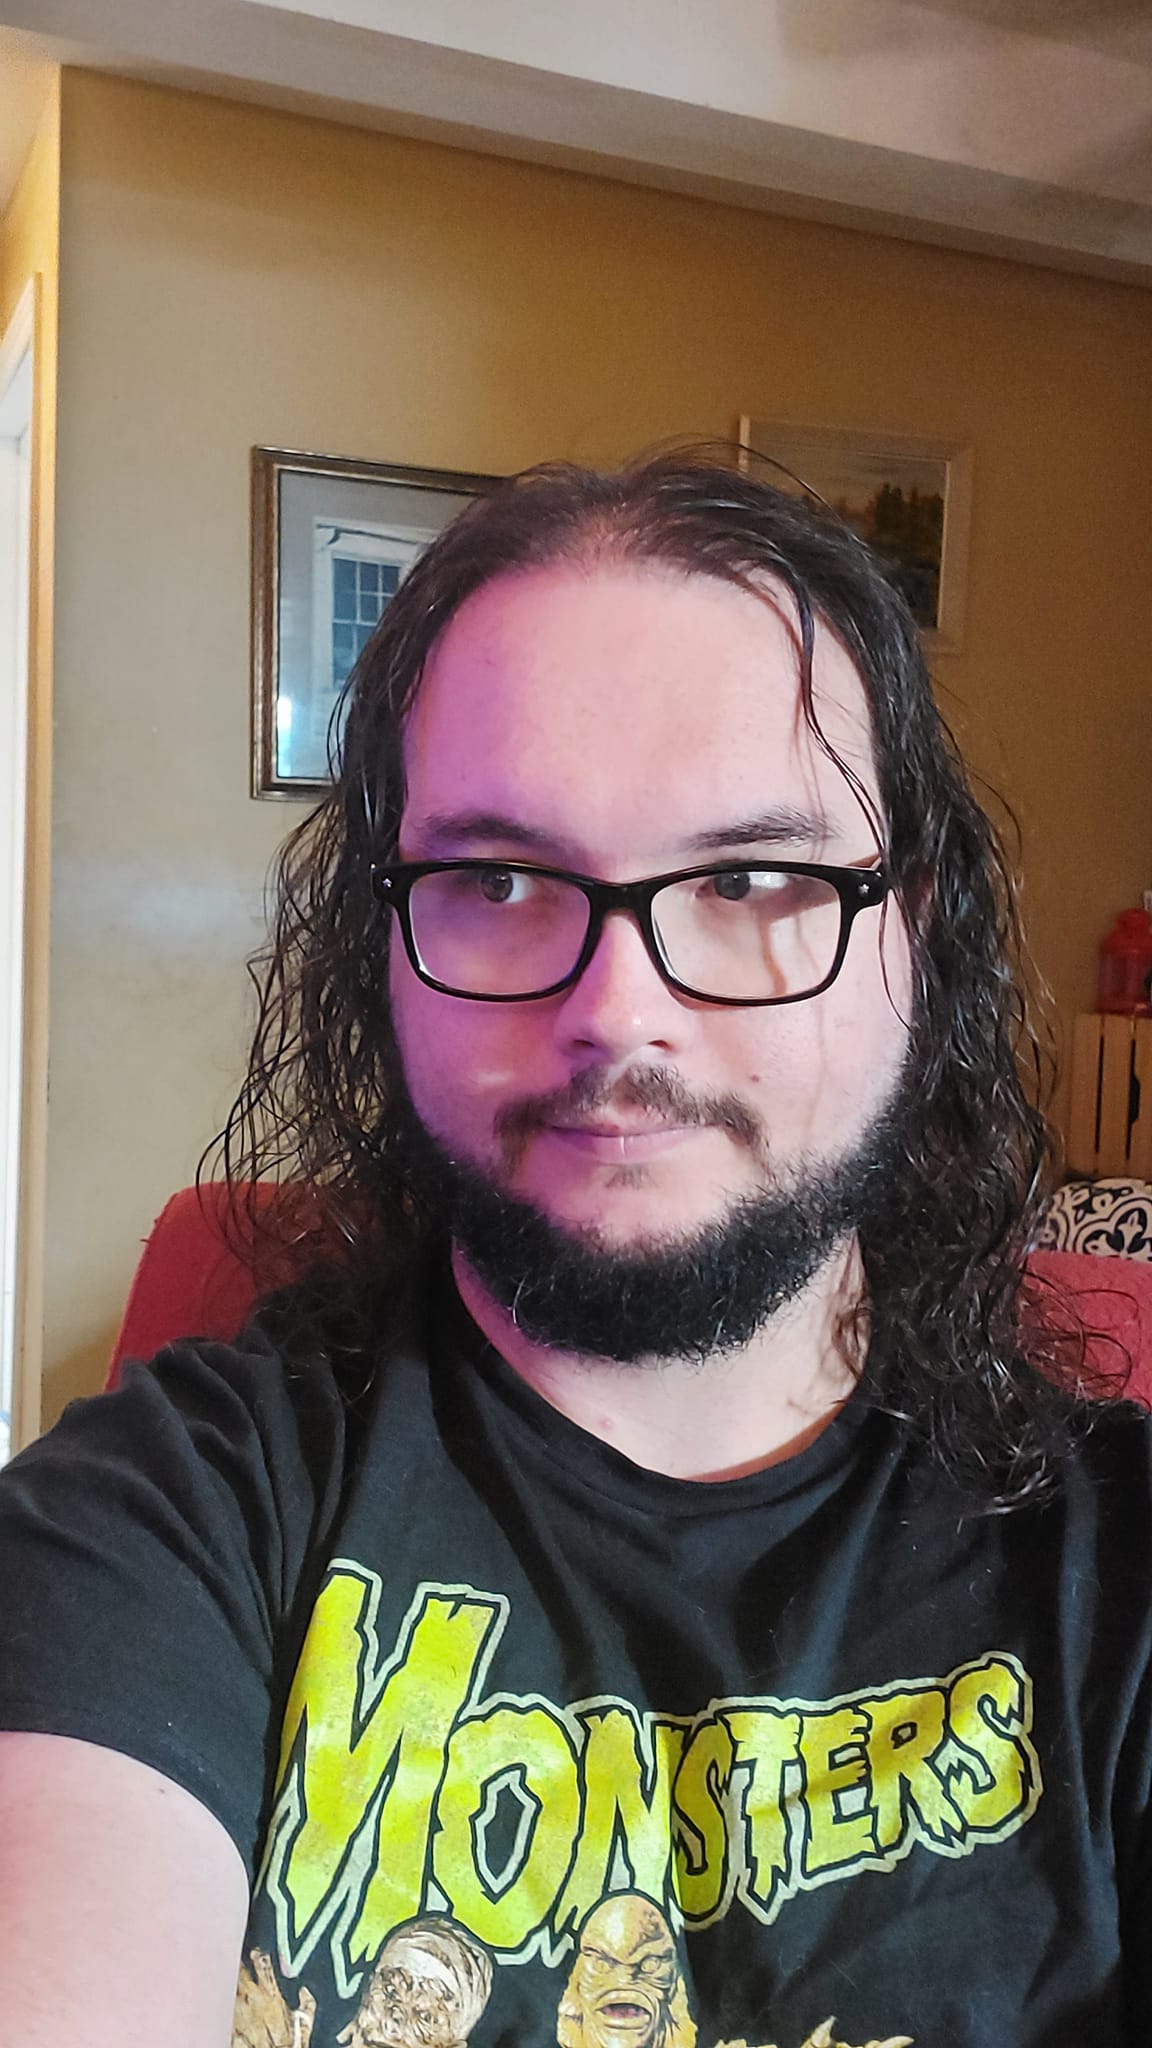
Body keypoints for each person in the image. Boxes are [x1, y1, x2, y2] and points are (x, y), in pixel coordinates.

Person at [0, 452, 1146, 2048]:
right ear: (381, 942)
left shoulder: (1122, 1573)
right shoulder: (151, 1526)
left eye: (754, 876)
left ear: (918, 933)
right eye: (502, 879)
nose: (618, 1012)